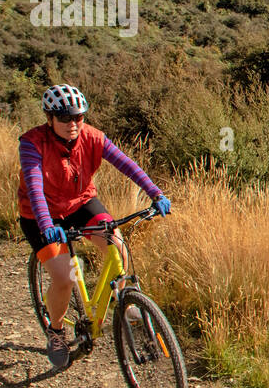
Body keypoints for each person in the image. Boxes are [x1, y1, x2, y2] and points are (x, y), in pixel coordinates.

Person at [18, 84, 170, 370]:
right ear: (49, 119)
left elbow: (126, 164)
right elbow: (34, 187)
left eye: (79, 117)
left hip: (80, 204)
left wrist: (155, 193)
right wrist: (46, 223)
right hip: (41, 215)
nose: (73, 124)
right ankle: (57, 330)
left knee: (117, 245)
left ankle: (124, 302)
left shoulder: (92, 137)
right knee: (64, 277)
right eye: (64, 118)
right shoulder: (32, 143)